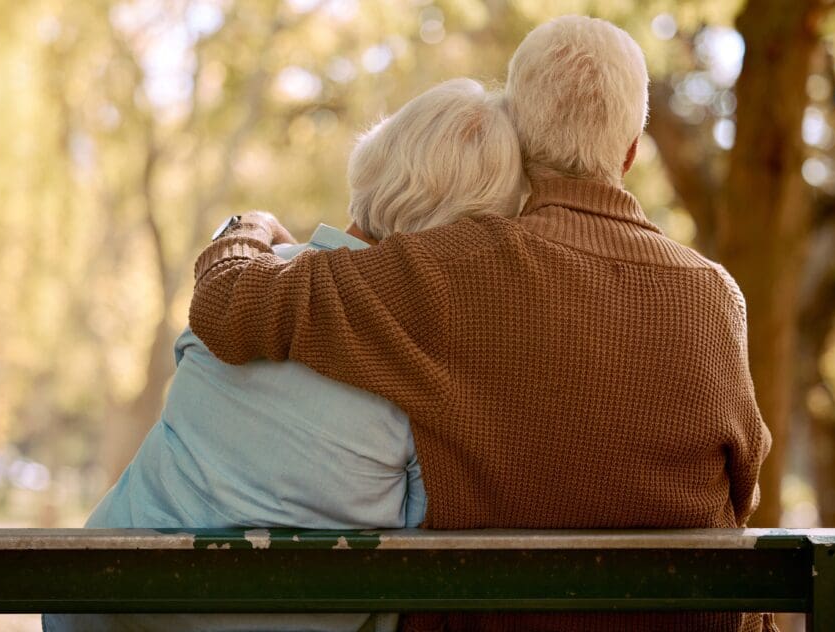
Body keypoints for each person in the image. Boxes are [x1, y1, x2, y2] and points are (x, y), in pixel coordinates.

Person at [190, 15, 774, 632]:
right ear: (631, 151)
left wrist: (250, 227)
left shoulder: (452, 267)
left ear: (513, 136)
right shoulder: (714, 296)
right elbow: (743, 491)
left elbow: (229, 307)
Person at [42, 77, 524, 632]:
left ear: (373, 165)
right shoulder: (432, 366)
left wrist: (247, 226)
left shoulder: (239, 285)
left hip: (105, 609)